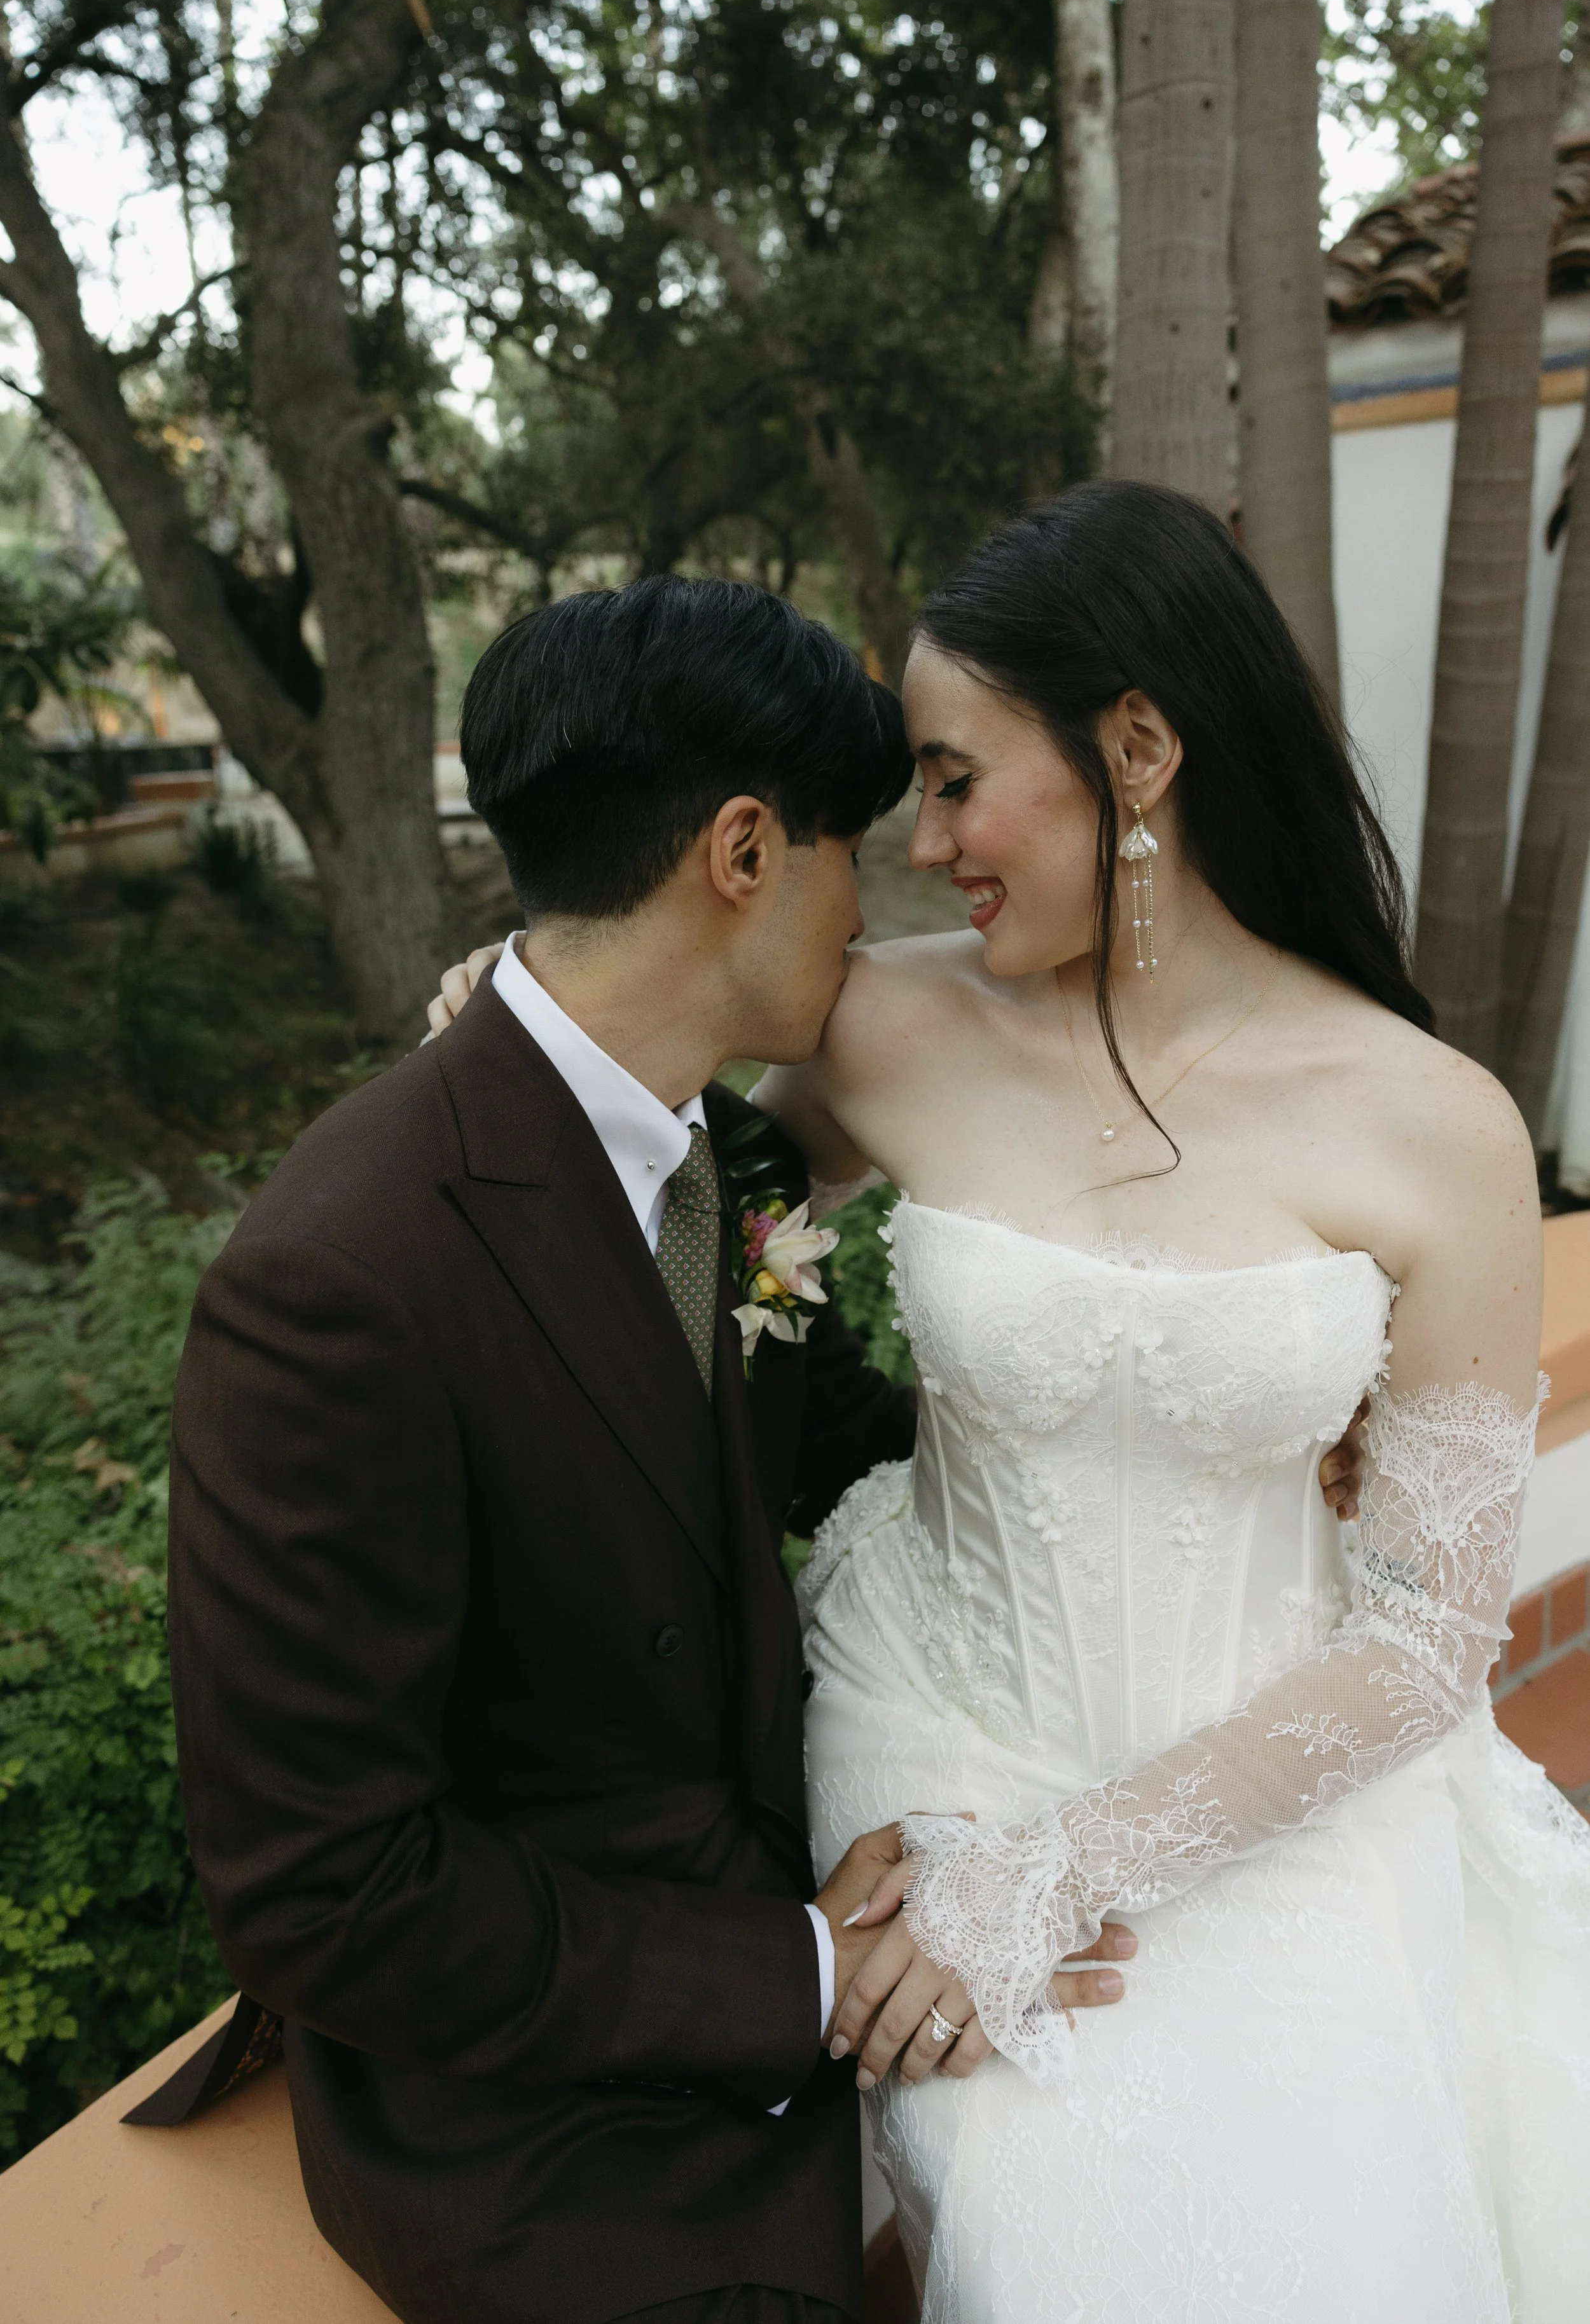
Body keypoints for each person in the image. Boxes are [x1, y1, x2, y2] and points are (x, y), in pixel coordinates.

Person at [162, 575, 1171, 2324]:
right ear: (741, 851)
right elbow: (321, 1890)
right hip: (542, 2072)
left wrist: (1175, 1439)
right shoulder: (338, 1277)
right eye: (852, 839)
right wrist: (787, 1967)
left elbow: (855, 1457)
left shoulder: (730, 1166)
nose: (879, 897)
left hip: (790, 1868)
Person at [761, 482, 1590, 2322]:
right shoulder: (881, 1029)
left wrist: (1066, 1871)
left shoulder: (1431, 1125)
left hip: (1283, 1774)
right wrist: (490, 1013)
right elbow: (647, 1163)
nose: (924, 838)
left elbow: (1425, 1638)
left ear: (1134, 749)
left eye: (957, 777)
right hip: (947, 1735)